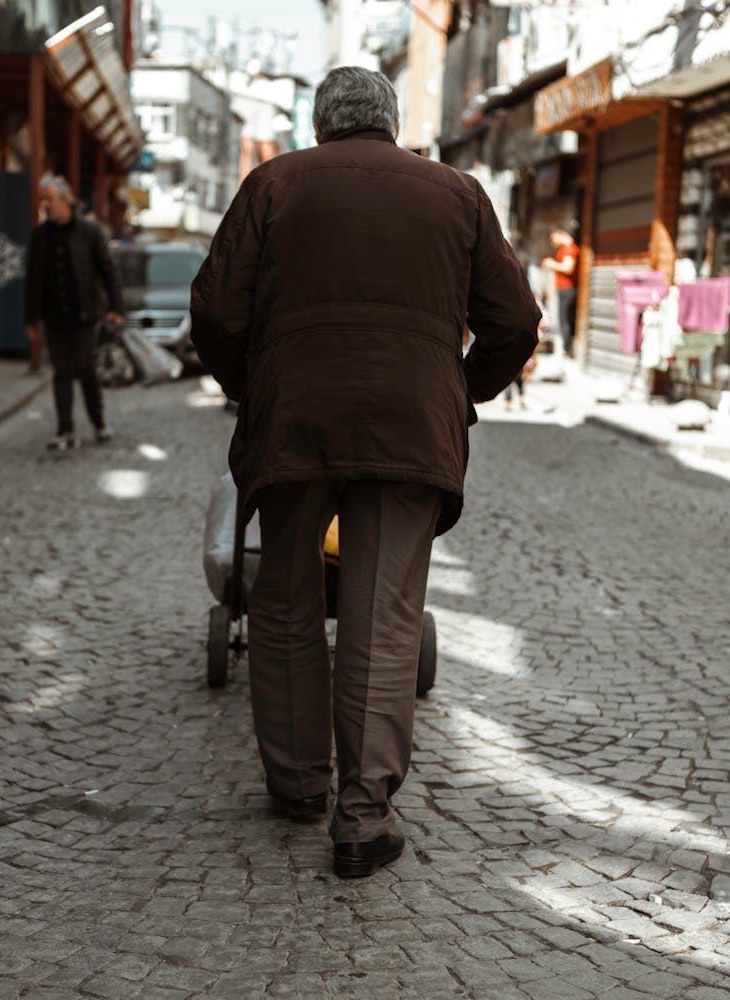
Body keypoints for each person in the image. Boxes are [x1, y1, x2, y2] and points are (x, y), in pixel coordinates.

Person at [190, 67, 540, 879]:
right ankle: (362, 817)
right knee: (383, 615)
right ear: (392, 123)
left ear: (320, 124)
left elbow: (213, 310)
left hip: (296, 420)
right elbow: (515, 322)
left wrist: (253, 386)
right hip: (409, 427)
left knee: (281, 596)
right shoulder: (457, 191)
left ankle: (298, 782)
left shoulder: (273, 184)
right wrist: (460, 389)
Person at [25, 175, 124, 452]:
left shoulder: (89, 231)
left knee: (85, 368)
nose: (44, 204)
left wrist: (117, 307)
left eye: (49, 198)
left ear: (65, 198)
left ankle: (99, 421)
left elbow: (108, 270)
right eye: (41, 199)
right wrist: (31, 319)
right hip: (55, 318)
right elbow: (33, 281)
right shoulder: (39, 236)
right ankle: (65, 428)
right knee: (62, 372)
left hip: (85, 316)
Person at [542, 227, 579, 356]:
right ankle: (566, 348)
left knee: (565, 319)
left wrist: (551, 264)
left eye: (553, 238)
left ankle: (567, 349)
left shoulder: (569, 249)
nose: (552, 242)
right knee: (564, 318)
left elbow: (568, 268)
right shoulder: (564, 249)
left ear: (560, 234)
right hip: (564, 289)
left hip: (567, 289)